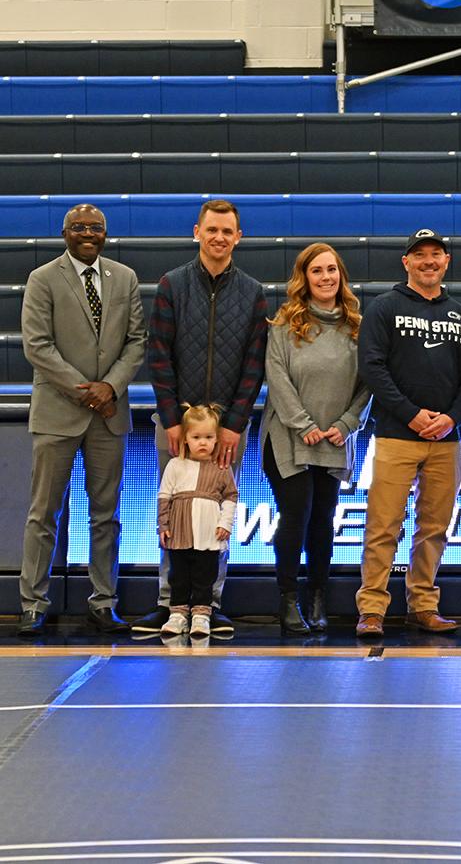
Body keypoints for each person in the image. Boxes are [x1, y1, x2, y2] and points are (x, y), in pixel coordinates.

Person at [136, 199, 268, 637]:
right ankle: (169, 601)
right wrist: (172, 418)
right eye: (212, 229)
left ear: (238, 237)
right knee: (172, 511)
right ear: (197, 232)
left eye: (227, 231)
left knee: (217, 513)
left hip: (228, 428)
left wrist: (233, 423)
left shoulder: (252, 292)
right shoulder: (172, 285)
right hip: (176, 425)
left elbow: (254, 363)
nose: (219, 237)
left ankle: (209, 603)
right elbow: (158, 355)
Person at [17, 203, 147, 637]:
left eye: (96, 227)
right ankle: (34, 604)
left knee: (106, 514)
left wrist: (109, 387)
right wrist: (87, 391)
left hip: (109, 415)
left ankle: (103, 602)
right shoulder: (43, 279)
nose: (88, 233)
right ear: (64, 232)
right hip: (58, 414)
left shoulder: (125, 277)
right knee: (44, 513)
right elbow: (38, 347)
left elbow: (136, 342)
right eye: (79, 227)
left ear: (106, 234)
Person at [354, 228, 461, 639]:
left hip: (445, 439)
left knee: (435, 526)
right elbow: (373, 368)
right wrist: (411, 415)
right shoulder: (384, 308)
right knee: (383, 525)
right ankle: (372, 608)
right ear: (406, 262)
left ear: (447, 262)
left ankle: (422, 605)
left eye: (436, 254)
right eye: (420, 254)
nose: (429, 261)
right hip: (396, 434)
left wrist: (452, 418)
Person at [262, 243, 371, 634]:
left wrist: (345, 425)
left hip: (336, 438)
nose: (326, 277)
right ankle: (288, 599)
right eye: (317, 271)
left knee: (324, 519)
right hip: (288, 437)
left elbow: (368, 385)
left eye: (331, 270)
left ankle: (318, 596)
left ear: (341, 275)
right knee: (296, 515)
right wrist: (303, 424)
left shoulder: (358, 327)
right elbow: (277, 379)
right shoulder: (282, 325)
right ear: (303, 278)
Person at [157, 404, 238, 639]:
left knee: (205, 574)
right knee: (179, 574)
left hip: (208, 533)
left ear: (217, 439)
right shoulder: (175, 466)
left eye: (209, 437)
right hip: (180, 532)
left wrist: (225, 523)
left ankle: (202, 615)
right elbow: (164, 496)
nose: (203, 442)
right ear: (185, 439)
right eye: (196, 437)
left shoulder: (222, 468)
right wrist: (163, 525)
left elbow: (231, 496)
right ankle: (178, 614)